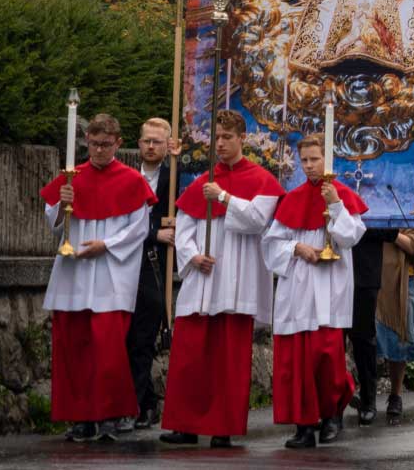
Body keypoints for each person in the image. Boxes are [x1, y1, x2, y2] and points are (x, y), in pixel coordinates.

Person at [161, 110, 285, 448]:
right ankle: (184, 425)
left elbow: (258, 220)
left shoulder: (261, 180)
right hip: (202, 278)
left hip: (235, 282)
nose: (221, 144)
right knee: (190, 356)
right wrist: (191, 256)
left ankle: (222, 428)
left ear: (242, 139)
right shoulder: (204, 180)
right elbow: (183, 226)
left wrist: (225, 198)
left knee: (228, 360)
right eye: (217, 138)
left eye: (227, 138)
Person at [39, 113, 157, 443]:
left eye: (106, 145)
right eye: (93, 144)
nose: (99, 151)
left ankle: (108, 415)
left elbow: (139, 229)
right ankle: (80, 417)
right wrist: (61, 205)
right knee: (74, 348)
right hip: (74, 273)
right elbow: (53, 222)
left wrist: (106, 245)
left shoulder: (132, 180)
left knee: (108, 349)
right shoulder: (72, 177)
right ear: (87, 142)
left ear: (118, 144)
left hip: (110, 274)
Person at [263, 136, 368, 448]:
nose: (309, 166)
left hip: (330, 286)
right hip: (297, 287)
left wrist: (335, 203)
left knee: (326, 357)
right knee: (296, 361)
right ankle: (304, 425)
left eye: (315, 159)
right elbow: (271, 243)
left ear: (328, 161)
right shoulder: (292, 199)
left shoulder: (343, 196)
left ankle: (332, 415)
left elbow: (350, 237)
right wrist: (297, 247)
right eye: (305, 160)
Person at [121, 117, 175, 434]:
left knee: (143, 337)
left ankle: (141, 404)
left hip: (155, 266)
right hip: (125, 259)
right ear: (138, 143)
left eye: (157, 141)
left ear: (168, 145)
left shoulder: (175, 177)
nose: (151, 146)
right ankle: (145, 401)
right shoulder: (126, 177)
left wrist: (172, 233)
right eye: (146, 140)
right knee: (124, 337)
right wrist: (156, 233)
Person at [369, 225, 414, 423]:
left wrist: (392, 235)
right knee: (368, 338)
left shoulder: (410, 207)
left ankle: (396, 395)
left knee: (399, 338)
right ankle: (367, 395)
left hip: (402, 280)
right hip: (372, 273)